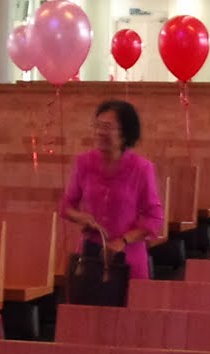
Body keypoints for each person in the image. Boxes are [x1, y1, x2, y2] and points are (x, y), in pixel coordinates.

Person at [61, 100, 166, 280]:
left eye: (108, 127)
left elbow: (154, 217)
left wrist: (123, 241)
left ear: (125, 134)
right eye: (98, 126)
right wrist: (81, 217)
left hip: (128, 257)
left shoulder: (141, 168)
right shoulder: (83, 163)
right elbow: (66, 205)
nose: (100, 132)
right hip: (90, 254)